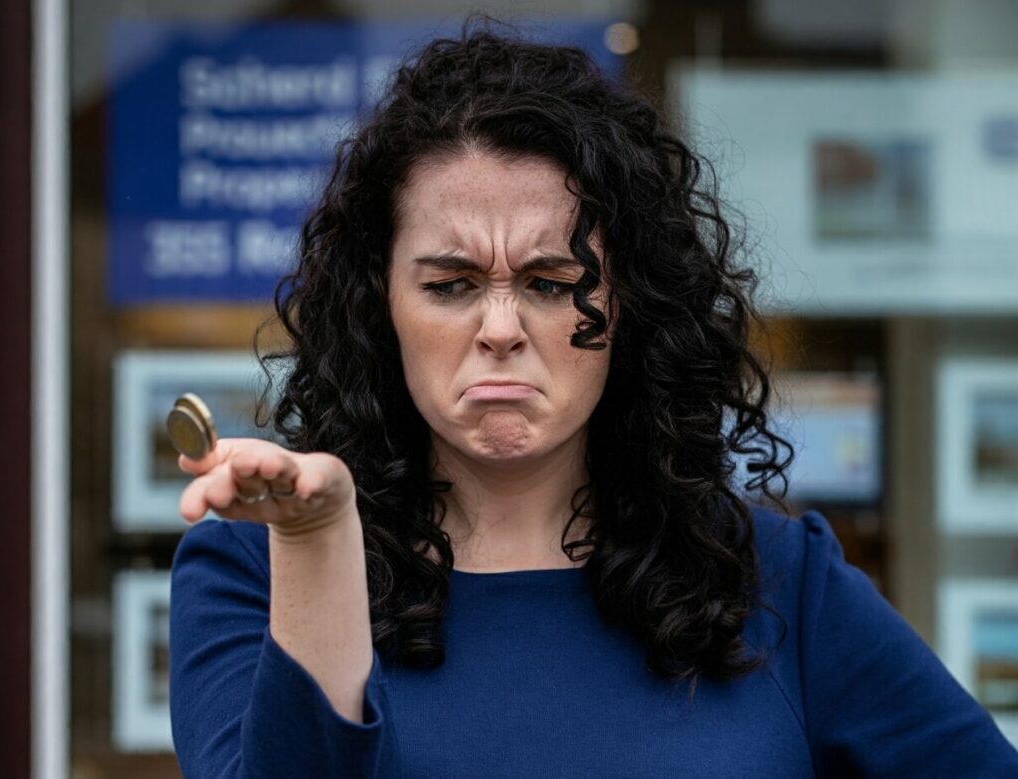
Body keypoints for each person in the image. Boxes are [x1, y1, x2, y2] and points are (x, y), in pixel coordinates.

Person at [167, 21, 1018, 778]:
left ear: (629, 306)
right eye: (452, 284)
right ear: (379, 304)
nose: (501, 327)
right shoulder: (251, 571)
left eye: (551, 282)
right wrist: (318, 543)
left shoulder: (777, 583)